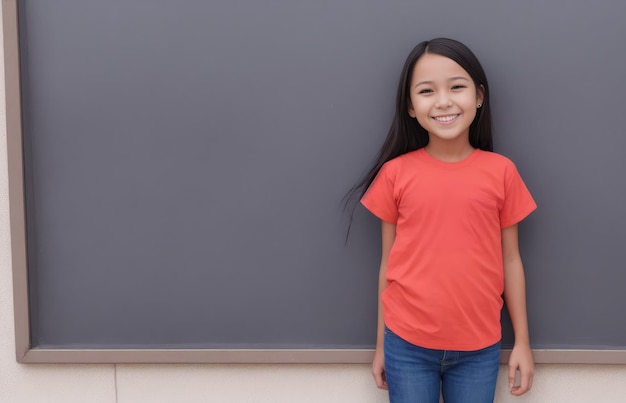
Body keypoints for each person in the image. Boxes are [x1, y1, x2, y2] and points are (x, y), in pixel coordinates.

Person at [348, 38, 536, 402]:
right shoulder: (395, 174)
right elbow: (387, 264)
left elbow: (511, 259)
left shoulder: (502, 173)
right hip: (406, 345)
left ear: (479, 96)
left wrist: (523, 344)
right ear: (411, 107)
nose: (444, 101)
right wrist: (380, 346)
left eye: (457, 87)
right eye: (426, 91)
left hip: (479, 348)